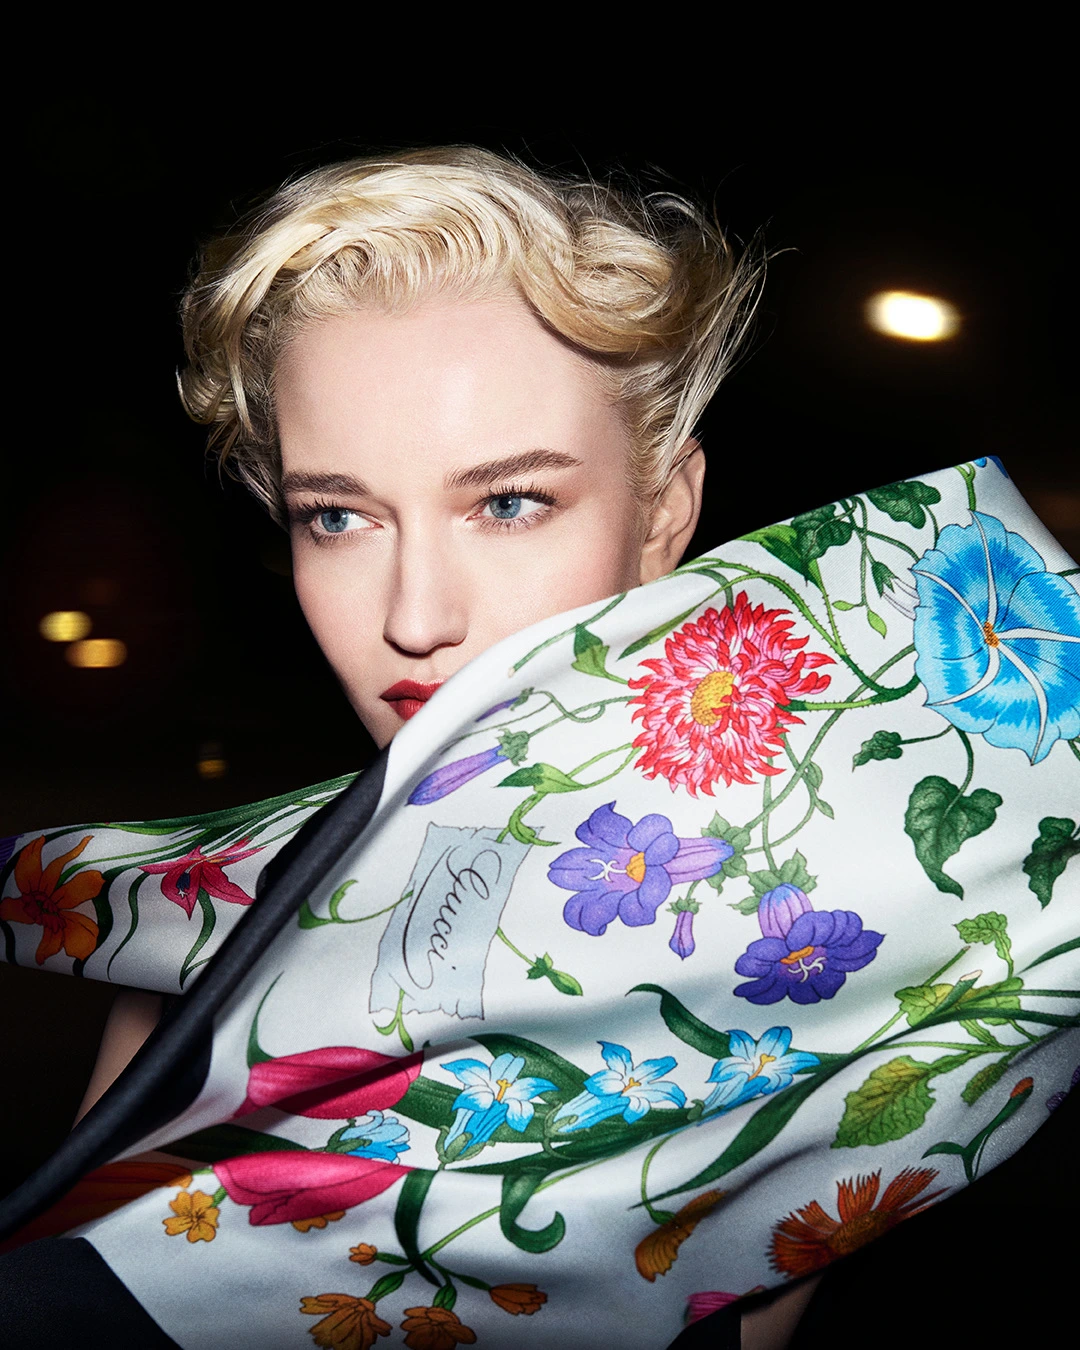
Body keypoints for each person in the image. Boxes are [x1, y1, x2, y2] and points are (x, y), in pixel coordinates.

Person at [1, 146, 1077, 1349]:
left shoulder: (831, 950)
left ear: (664, 511)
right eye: (338, 516)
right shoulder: (207, 930)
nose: (416, 616)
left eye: (509, 503)